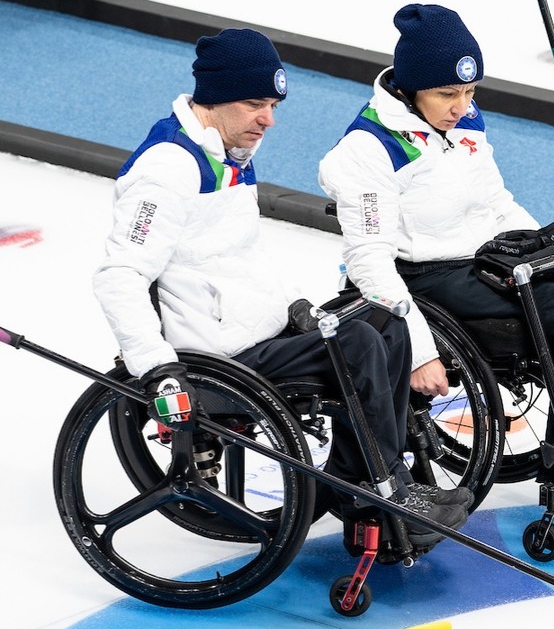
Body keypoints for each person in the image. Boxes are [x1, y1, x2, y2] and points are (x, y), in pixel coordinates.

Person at [91, 28, 469, 551]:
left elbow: (245, 256)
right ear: (213, 98)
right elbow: (120, 276)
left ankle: (365, 475)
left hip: (257, 331)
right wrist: (156, 369)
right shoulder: (167, 169)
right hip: (219, 354)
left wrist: (295, 306)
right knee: (357, 344)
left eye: (272, 105)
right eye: (255, 105)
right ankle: (380, 489)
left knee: (385, 318)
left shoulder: (228, 153)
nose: (268, 119)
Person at [318, 4, 554, 520]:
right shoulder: (368, 149)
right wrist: (420, 350)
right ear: (411, 88)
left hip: (484, 261)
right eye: (448, 94)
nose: (461, 107)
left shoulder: (465, 122)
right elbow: (369, 262)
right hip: (425, 278)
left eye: (470, 92)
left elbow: (497, 203)